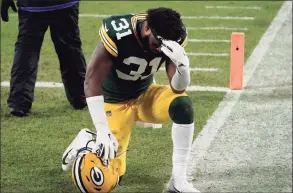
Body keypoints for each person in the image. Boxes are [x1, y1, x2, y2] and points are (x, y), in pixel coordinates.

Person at [62, 7, 200, 193]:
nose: (161, 49)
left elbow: (178, 88)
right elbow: (91, 81)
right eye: (159, 42)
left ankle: (179, 180)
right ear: (147, 29)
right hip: (114, 102)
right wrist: (102, 130)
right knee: (110, 179)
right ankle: (87, 142)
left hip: (145, 95)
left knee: (182, 105)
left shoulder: (173, 35)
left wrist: (183, 64)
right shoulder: (118, 32)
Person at [1, 0, 87, 117]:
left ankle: (19, 103)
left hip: (32, 5)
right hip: (64, 4)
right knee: (70, 48)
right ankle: (80, 97)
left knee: (27, 49)